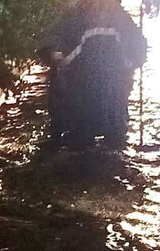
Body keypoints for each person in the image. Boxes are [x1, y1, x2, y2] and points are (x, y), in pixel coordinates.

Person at [40, 0, 147, 147]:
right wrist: (131, 64)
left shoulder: (78, 17)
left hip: (86, 97)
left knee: (83, 140)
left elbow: (56, 44)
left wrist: (54, 56)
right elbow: (138, 50)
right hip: (109, 97)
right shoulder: (119, 18)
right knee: (112, 140)